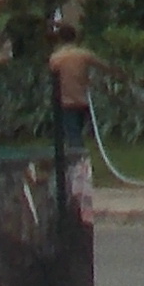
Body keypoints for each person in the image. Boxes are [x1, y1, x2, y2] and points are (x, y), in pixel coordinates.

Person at [42, 15, 106, 197]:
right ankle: (81, 172)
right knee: (83, 137)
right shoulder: (83, 55)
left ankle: (80, 174)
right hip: (83, 102)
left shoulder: (56, 59)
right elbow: (104, 66)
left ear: (60, 39)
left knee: (74, 139)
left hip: (66, 102)